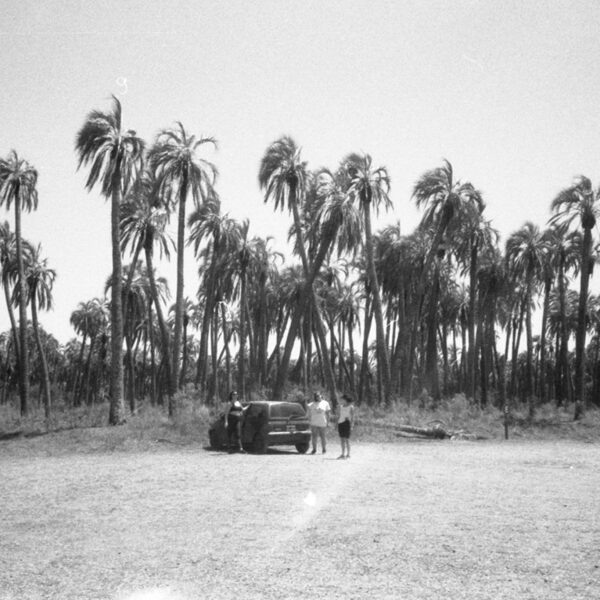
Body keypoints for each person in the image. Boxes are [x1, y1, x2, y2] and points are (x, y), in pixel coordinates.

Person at [336, 393, 355, 459]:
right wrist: (337, 423)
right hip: (340, 423)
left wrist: (352, 425)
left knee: (347, 439)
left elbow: (352, 417)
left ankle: (348, 454)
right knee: (342, 439)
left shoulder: (351, 407)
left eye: (342, 399)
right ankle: (342, 454)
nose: (341, 400)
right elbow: (339, 415)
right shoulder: (340, 407)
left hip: (347, 423)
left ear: (345, 400)